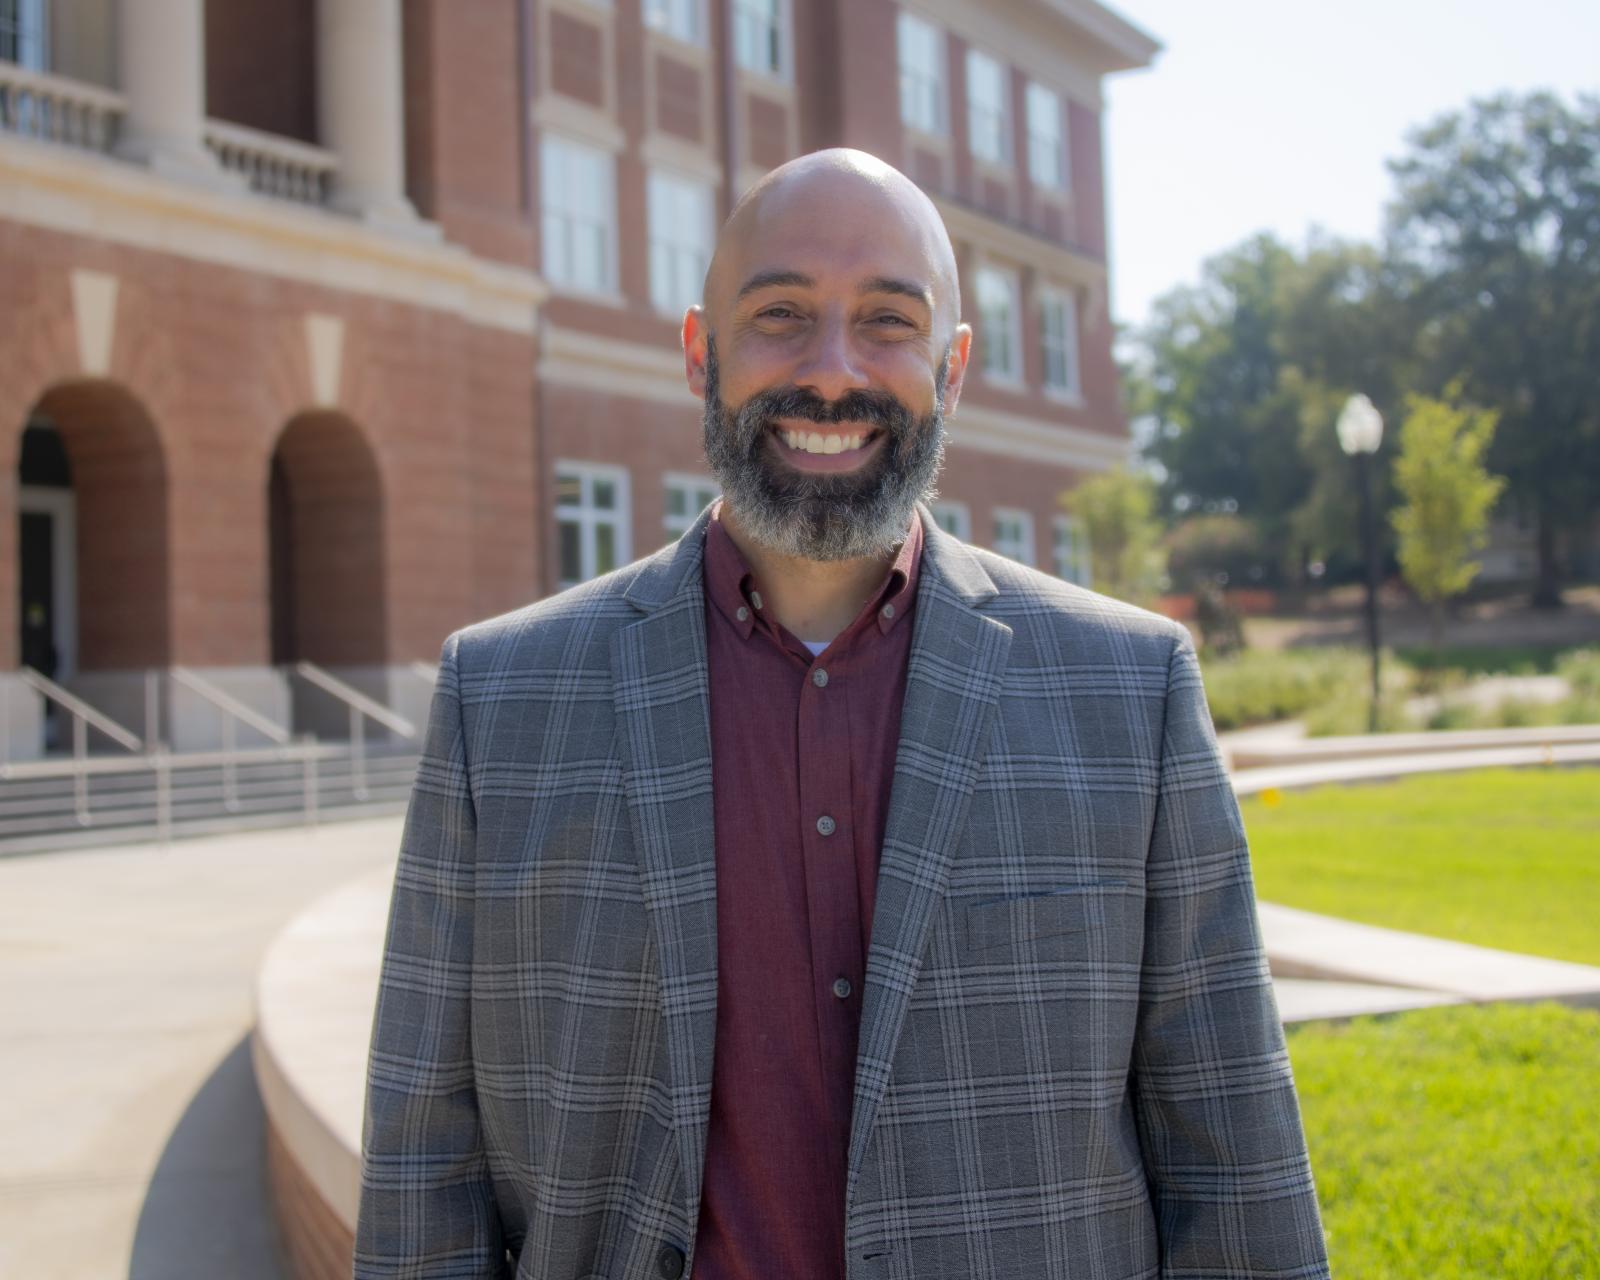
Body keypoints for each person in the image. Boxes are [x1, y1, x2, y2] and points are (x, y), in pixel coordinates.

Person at [355, 149, 1329, 1280]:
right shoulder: (502, 698)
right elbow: (425, 1155)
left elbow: (1234, 1154)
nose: (831, 371)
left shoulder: (1130, 690)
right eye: (779, 314)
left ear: (951, 368)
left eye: (886, 321)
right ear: (696, 352)